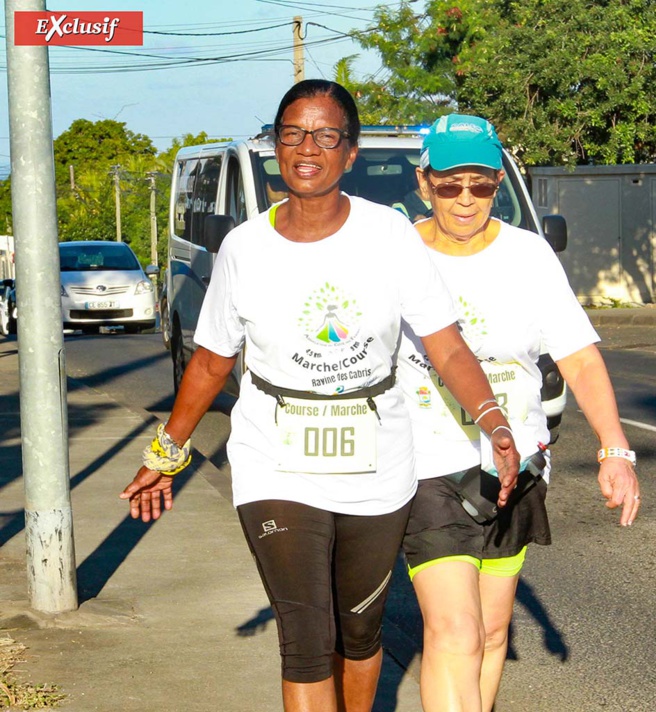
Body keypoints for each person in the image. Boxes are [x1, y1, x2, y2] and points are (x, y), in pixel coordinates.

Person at [119, 82, 522, 712]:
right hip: (275, 460)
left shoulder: (388, 236)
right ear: (276, 147)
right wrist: (166, 452)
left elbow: (446, 345)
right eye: (293, 134)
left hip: (377, 464)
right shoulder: (244, 247)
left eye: (326, 135)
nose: (308, 148)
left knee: (358, 636)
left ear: (350, 151)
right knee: (307, 639)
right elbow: (211, 360)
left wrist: (493, 420)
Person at [396, 113, 641, 712]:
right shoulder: (397, 253)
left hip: (516, 465)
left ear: (498, 185)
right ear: (424, 184)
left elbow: (578, 358)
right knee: (454, 631)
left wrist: (615, 450)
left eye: (480, 185)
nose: (465, 199)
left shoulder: (528, 255)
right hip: (426, 464)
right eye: (450, 185)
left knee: (491, 634)